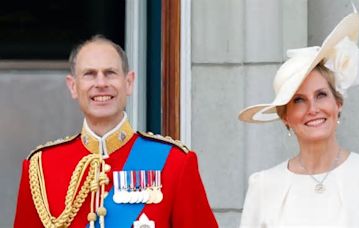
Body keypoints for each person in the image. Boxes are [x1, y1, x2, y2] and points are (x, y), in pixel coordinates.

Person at [14, 35, 218, 228]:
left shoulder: (174, 162)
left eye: (110, 73)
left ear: (128, 82)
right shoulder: (41, 168)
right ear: (73, 86)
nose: (101, 83)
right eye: (89, 74)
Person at [238, 11, 359, 228]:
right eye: (298, 100)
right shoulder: (263, 186)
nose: (313, 109)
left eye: (321, 95)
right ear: (285, 116)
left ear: (338, 103)